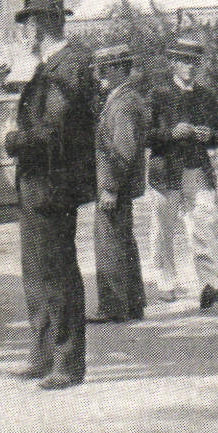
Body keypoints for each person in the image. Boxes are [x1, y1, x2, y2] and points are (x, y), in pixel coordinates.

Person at [3, 0, 95, 389]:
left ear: (38, 27)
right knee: (37, 272)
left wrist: (12, 138)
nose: (23, 34)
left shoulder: (66, 67)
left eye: (25, 25)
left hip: (53, 184)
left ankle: (67, 361)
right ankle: (43, 352)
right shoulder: (52, 66)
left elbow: (50, 132)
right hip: (40, 184)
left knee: (56, 274)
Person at [146, 36, 218, 311]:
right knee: (163, 228)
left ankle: (210, 283)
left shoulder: (205, 96)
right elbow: (144, 135)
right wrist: (170, 134)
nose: (190, 68)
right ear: (173, 63)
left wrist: (210, 136)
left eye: (194, 62)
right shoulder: (157, 95)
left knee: (202, 224)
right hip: (166, 170)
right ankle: (166, 280)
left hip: (196, 169)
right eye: (184, 62)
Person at [91, 43, 148, 323]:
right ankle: (133, 303)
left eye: (104, 69)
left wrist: (110, 187)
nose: (99, 75)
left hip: (115, 186)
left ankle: (113, 306)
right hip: (121, 185)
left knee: (109, 242)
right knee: (123, 240)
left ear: (117, 69)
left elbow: (122, 150)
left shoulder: (123, 103)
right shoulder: (124, 98)